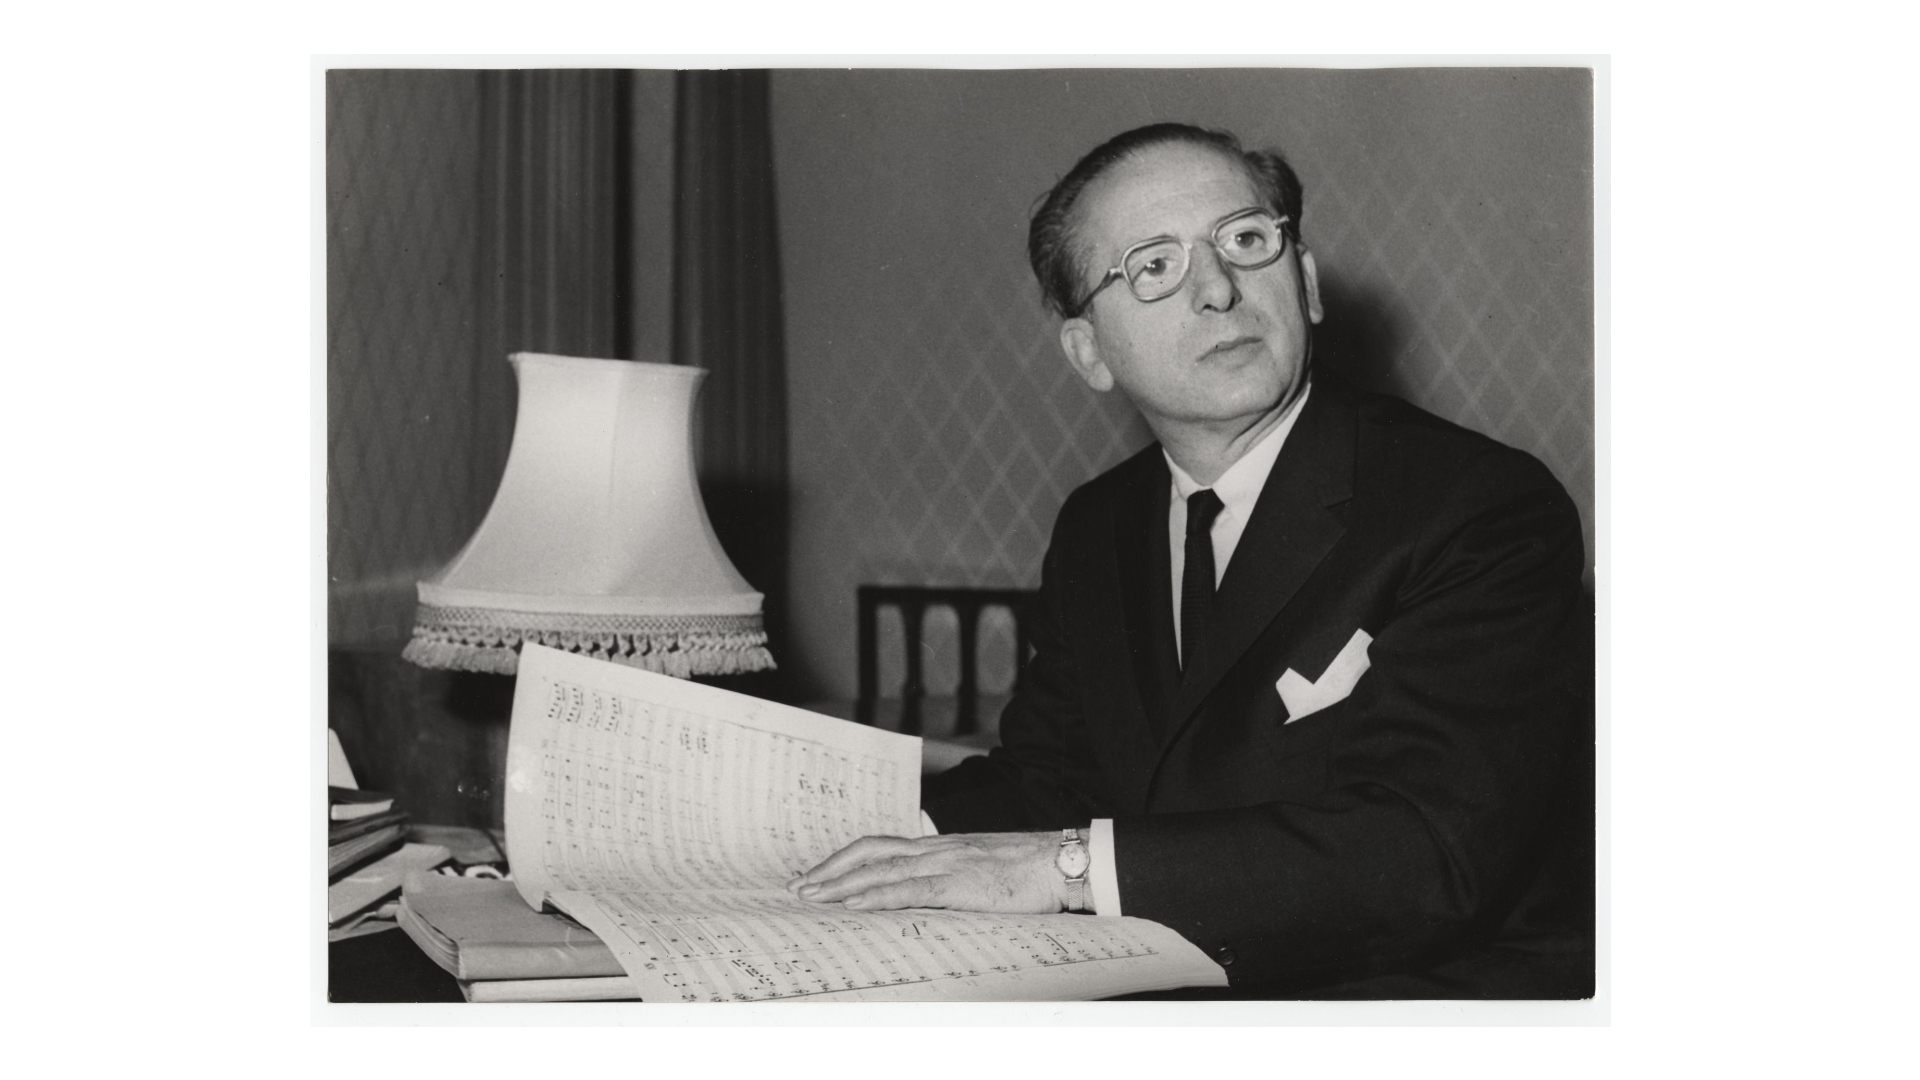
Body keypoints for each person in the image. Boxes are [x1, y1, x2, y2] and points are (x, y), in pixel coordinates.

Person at [787, 122, 1592, 998]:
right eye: (1153, 265)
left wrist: (1058, 871)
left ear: (1307, 284)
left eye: (1247, 239)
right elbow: (1048, 780)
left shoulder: (1476, 505)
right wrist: (826, 833)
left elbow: (1425, 855)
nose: (1217, 288)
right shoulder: (1097, 524)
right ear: (1089, 352)